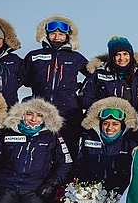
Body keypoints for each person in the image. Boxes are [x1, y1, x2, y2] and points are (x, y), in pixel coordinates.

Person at [0, 98, 72, 203]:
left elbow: (65, 162)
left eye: (39, 115)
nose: (33, 119)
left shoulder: (52, 136)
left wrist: (53, 182)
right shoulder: (8, 132)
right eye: (30, 113)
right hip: (7, 185)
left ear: (45, 118)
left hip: (35, 187)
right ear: (22, 114)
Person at [18, 15, 88, 160]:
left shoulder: (76, 58)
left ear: (68, 36)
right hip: (40, 111)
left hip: (68, 111)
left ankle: (67, 179)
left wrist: (82, 91)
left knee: (68, 149)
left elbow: (93, 76)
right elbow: (19, 79)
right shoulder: (34, 56)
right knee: (41, 148)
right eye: (53, 34)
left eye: (61, 34)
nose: (57, 37)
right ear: (46, 35)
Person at [75, 96, 138, 194]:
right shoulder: (88, 140)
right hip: (91, 194)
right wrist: (87, 189)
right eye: (106, 123)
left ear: (121, 126)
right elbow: (81, 165)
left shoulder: (129, 145)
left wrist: (118, 194)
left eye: (115, 124)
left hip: (118, 196)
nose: (110, 128)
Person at [78, 36, 138, 110]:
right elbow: (83, 99)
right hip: (105, 118)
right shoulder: (98, 75)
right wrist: (107, 105)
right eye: (118, 54)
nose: (122, 58)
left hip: (131, 119)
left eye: (125, 54)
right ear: (112, 57)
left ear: (130, 56)